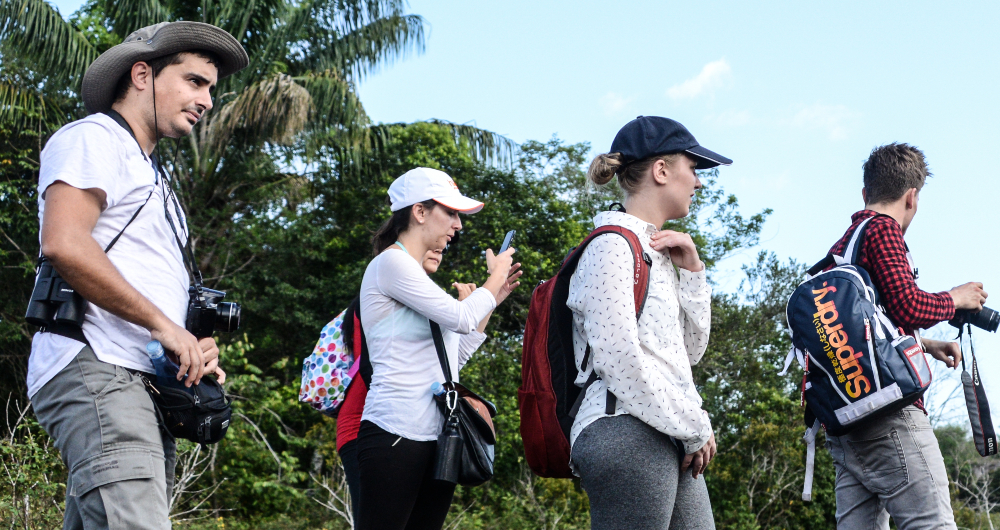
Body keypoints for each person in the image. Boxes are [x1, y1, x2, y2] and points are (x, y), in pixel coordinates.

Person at [27, 22, 248, 530]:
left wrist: (190, 342)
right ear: (142, 75)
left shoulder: (155, 178)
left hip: (141, 380)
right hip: (99, 366)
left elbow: (149, 282)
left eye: (211, 88)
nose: (207, 100)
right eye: (194, 81)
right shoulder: (93, 137)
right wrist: (162, 325)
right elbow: (64, 242)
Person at [569, 116, 727, 530]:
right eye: (693, 167)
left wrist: (693, 273)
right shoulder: (611, 245)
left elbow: (688, 353)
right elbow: (618, 359)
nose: (699, 182)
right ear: (661, 170)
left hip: (668, 431)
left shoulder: (654, 251)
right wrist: (695, 425)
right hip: (625, 428)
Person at [823, 143, 986, 530]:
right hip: (891, 416)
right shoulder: (883, 230)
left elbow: (866, 323)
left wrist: (924, 344)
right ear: (912, 197)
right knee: (933, 525)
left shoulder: (842, 247)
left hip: (846, 421)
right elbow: (909, 306)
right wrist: (955, 298)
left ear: (865, 192)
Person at [355, 167, 521, 530]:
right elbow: (461, 317)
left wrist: (491, 300)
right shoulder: (391, 263)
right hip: (396, 432)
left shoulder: (418, 279)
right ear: (419, 211)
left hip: (439, 438)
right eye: (451, 212)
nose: (458, 225)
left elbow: (452, 360)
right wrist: (494, 278)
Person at [336, 248, 489, 527]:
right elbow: (374, 367)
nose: (439, 249)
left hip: (419, 427)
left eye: (441, 248)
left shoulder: (423, 298)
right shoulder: (381, 296)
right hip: (372, 425)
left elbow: (448, 362)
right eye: (431, 245)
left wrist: (482, 307)